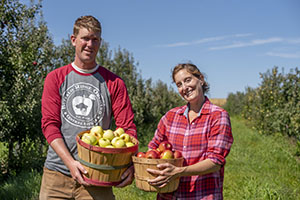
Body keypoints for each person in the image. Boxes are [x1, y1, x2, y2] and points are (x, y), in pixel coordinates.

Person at [39, 15, 137, 200]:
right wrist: (70, 163)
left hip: (97, 175)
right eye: (85, 38)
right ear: (73, 40)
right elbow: (49, 125)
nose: (90, 44)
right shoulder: (56, 78)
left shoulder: (114, 82)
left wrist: (130, 164)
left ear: (100, 42)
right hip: (57, 174)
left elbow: (128, 128)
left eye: (95, 39)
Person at [147, 63, 233, 200]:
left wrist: (179, 172)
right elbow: (153, 148)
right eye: (179, 84)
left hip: (201, 194)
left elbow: (215, 161)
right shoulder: (170, 116)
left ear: (201, 79)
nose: (184, 87)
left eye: (188, 80)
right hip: (169, 195)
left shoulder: (218, 116)